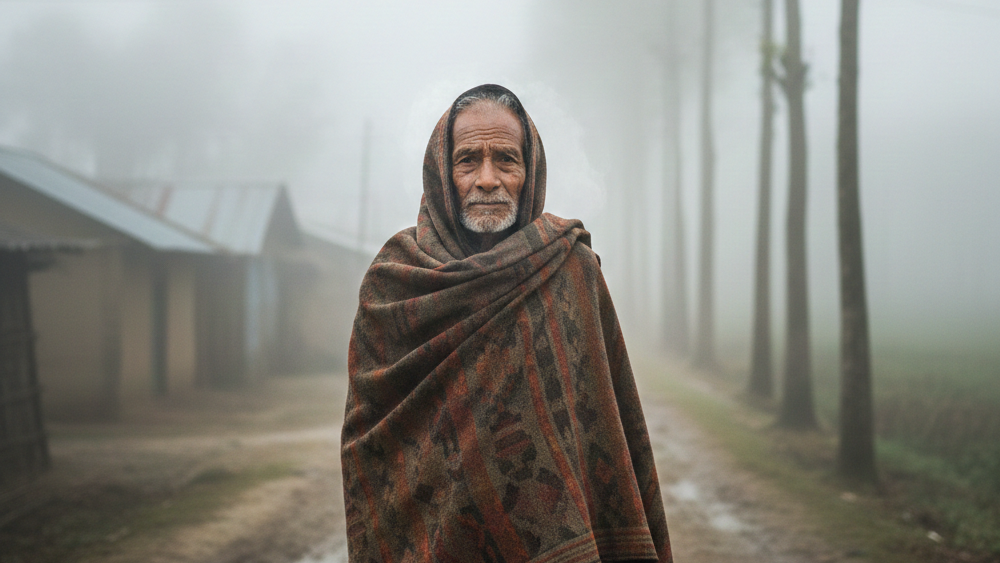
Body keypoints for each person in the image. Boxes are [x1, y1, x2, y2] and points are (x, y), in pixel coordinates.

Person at [341, 84, 672, 563]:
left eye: (507, 160)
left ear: (530, 171)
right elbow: (371, 445)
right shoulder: (395, 283)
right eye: (468, 160)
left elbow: (610, 425)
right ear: (441, 172)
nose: (487, 179)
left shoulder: (571, 270)